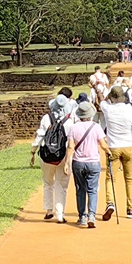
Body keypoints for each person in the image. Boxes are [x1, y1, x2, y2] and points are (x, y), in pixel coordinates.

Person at [99, 85, 132, 220]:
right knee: (129, 180)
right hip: (129, 147)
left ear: (112, 97)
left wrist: (104, 94)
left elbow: (101, 99)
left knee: (110, 179)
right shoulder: (130, 109)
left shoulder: (107, 108)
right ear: (123, 97)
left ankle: (110, 203)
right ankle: (130, 209)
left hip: (113, 147)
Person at [29, 88, 75, 222]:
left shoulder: (46, 118)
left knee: (48, 183)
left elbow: (40, 136)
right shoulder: (70, 121)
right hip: (63, 156)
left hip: (46, 155)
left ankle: (49, 210)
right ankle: (60, 215)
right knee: (62, 185)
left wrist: (33, 151)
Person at [66, 100, 110, 228]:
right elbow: (102, 144)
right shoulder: (96, 127)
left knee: (80, 190)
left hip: (78, 162)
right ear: (90, 114)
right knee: (92, 190)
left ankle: (82, 217)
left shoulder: (73, 127)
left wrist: (66, 163)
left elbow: (70, 146)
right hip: (93, 162)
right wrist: (108, 152)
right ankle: (91, 215)